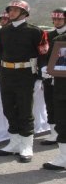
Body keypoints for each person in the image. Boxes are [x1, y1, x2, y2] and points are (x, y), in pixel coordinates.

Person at [0, 0, 48, 163]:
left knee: (25, 110)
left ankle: (26, 146)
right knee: (8, 108)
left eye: (16, 10)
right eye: (10, 9)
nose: (11, 12)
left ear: (24, 12)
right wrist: (0, 73)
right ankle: (14, 143)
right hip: (7, 74)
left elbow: (43, 54)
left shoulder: (35, 32)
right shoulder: (3, 32)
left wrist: (39, 77)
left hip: (25, 74)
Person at [40, 8, 66, 145]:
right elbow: (43, 53)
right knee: (50, 102)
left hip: (63, 77)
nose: (56, 22)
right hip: (49, 76)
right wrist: (43, 67)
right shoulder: (48, 36)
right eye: (54, 19)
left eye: (59, 19)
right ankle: (54, 133)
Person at [43, 32, 66, 170]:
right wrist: (47, 68)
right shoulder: (59, 40)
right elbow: (49, 60)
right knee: (62, 124)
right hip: (62, 89)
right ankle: (64, 158)